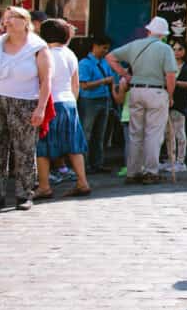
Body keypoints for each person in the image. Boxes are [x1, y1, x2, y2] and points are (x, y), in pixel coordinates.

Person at [0, 6, 52, 210]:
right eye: (4, 18)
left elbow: (46, 81)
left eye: (11, 18)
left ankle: (24, 194)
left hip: (25, 100)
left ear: (25, 21)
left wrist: (41, 108)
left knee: (24, 149)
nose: (6, 22)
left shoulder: (37, 47)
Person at [106, 17, 178, 185]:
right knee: (154, 133)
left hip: (136, 90)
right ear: (163, 34)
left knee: (135, 133)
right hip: (157, 91)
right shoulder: (165, 49)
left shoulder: (135, 45)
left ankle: (133, 172)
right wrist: (171, 94)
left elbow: (110, 57)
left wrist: (125, 75)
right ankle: (151, 171)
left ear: (149, 31)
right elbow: (170, 75)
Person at [34, 20, 92, 198]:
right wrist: (73, 101)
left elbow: (40, 80)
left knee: (42, 146)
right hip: (69, 102)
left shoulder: (43, 54)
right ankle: (82, 181)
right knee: (74, 146)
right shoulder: (70, 53)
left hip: (50, 102)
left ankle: (44, 186)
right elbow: (75, 84)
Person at [77, 35, 116, 173]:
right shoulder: (84, 63)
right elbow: (84, 85)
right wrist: (103, 81)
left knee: (100, 134)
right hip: (89, 101)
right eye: (104, 48)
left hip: (104, 99)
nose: (105, 51)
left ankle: (97, 163)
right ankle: (84, 165)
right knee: (86, 133)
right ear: (95, 46)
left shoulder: (105, 62)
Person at [165, 41, 187, 174]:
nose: (176, 52)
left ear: (185, 51)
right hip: (167, 103)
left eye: (179, 49)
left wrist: (174, 82)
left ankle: (180, 161)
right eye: (174, 49)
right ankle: (171, 159)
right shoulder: (168, 65)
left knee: (179, 133)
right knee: (168, 134)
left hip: (180, 103)